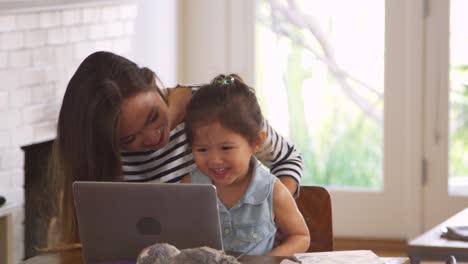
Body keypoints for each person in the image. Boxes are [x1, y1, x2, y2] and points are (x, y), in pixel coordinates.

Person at [47, 51, 304, 250]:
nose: (152, 138)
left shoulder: (213, 111)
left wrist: (269, 209)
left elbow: (288, 157)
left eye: (153, 117)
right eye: (129, 138)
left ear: (153, 84)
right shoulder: (103, 157)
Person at [181, 74, 310, 256]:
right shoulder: (189, 187)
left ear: (256, 142)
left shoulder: (272, 190)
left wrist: (268, 260)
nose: (214, 159)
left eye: (226, 148)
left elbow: (300, 236)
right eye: (202, 149)